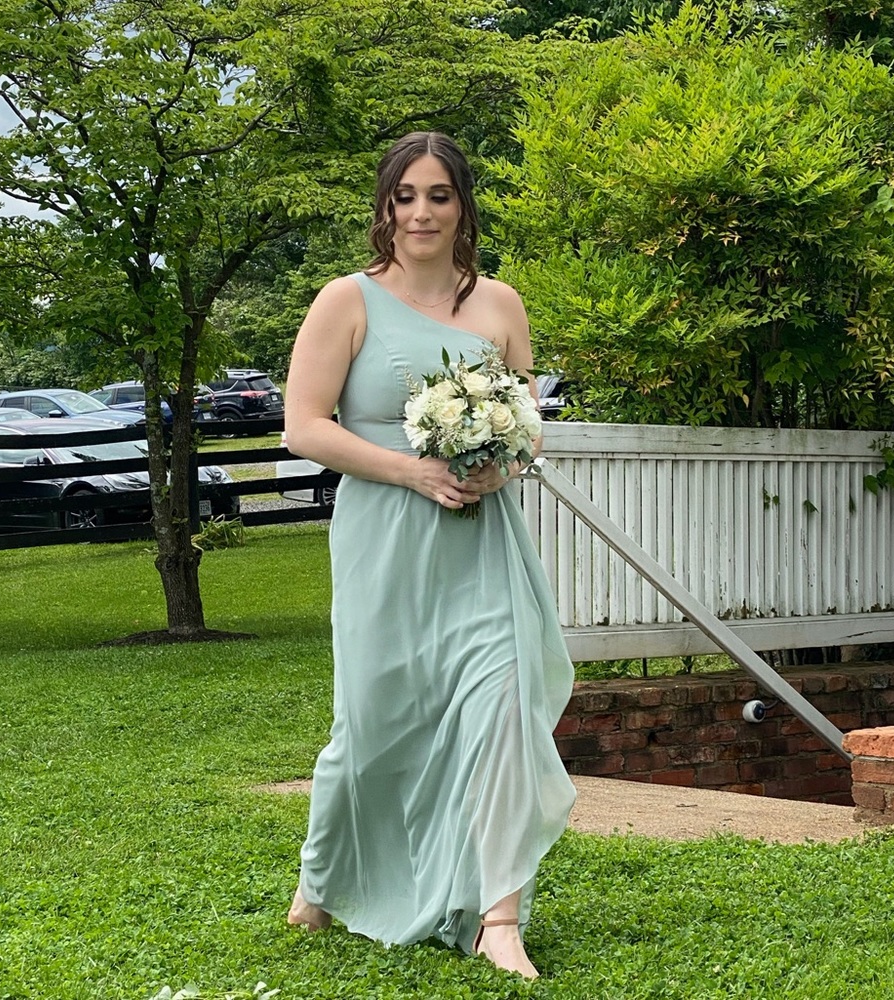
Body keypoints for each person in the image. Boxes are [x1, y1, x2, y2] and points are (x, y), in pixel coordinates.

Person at [284, 131, 576, 979]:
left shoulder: (501, 304)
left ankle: (498, 915)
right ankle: (324, 878)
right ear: (385, 205)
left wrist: (500, 463)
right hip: (384, 533)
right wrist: (414, 472)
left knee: (502, 714)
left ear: (463, 208)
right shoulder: (345, 301)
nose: (421, 211)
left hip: (483, 543)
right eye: (405, 194)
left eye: (438, 195)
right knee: (371, 724)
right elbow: (305, 427)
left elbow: (529, 423)